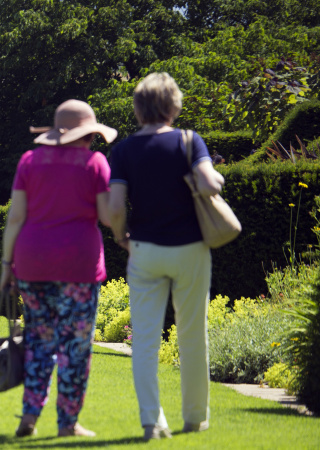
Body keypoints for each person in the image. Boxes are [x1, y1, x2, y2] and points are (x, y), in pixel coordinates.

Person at [108, 72, 223, 441]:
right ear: (174, 105)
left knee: (143, 340)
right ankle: (193, 419)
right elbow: (208, 183)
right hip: (191, 248)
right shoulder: (190, 142)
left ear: (138, 107)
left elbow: (113, 208)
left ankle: (151, 422)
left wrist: (120, 236)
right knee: (192, 335)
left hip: (144, 249)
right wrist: (216, 178)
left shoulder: (123, 150)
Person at [0, 99, 116, 438]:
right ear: (86, 135)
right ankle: (67, 423)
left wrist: (7, 264)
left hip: (32, 263)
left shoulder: (29, 161)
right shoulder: (95, 163)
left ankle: (29, 416)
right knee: (75, 346)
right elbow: (107, 217)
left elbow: (16, 217)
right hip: (78, 264)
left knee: (38, 341)